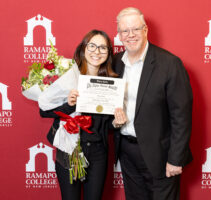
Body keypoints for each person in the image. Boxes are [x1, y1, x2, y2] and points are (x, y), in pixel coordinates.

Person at [112, 7, 193, 200]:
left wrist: (175, 159)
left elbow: (181, 117)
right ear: (119, 35)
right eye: (125, 31)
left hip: (161, 155)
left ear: (145, 30)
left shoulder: (170, 64)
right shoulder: (115, 63)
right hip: (127, 151)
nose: (130, 35)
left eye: (136, 29)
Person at [39, 30, 126, 200]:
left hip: (98, 152)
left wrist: (116, 123)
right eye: (92, 46)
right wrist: (68, 105)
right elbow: (43, 111)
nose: (97, 51)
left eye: (103, 48)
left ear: (108, 54)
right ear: (83, 48)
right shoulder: (67, 77)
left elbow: (104, 124)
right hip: (69, 150)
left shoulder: (111, 82)